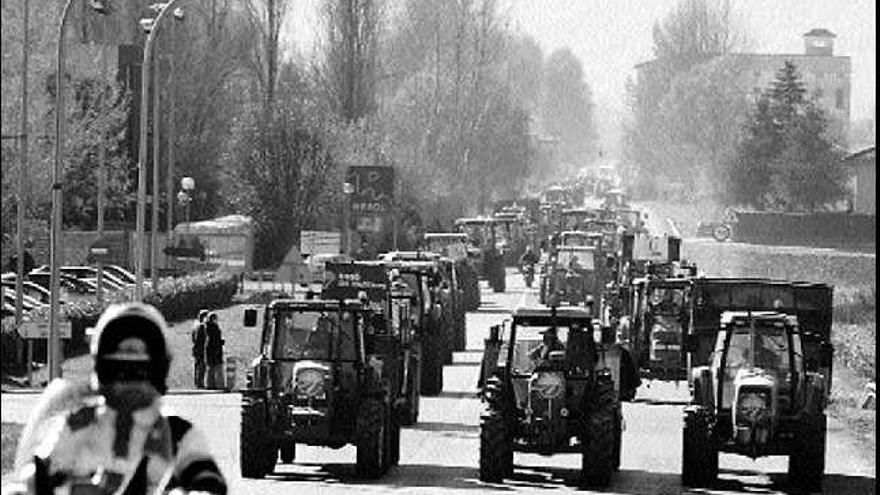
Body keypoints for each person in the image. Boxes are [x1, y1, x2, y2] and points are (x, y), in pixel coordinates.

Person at [10, 302, 227, 494]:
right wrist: (28, 486)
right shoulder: (80, 422)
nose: (129, 382)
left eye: (140, 371)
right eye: (119, 370)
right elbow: (44, 468)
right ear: (103, 369)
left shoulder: (176, 431)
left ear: (158, 371)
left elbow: (206, 477)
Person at [204, 312, 225, 390]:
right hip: (215, 350)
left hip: (209, 349)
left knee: (211, 369)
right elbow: (215, 340)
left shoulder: (208, 327)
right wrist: (220, 343)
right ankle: (220, 385)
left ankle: (210, 384)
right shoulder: (214, 328)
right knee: (218, 368)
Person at [191, 309, 209, 389]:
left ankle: (197, 382)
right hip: (201, 349)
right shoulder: (201, 326)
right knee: (202, 366)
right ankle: (200, 383)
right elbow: (200, 339)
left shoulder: (195, 325)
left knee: (197, 366)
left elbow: (193, 338)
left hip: (196, 348)